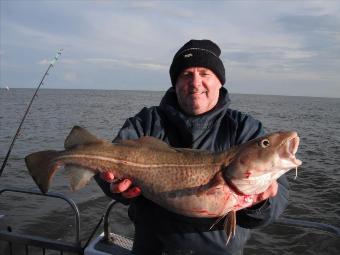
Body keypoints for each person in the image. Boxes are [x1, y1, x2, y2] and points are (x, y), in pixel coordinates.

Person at [95, 39, 289, 255]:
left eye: (205, 73)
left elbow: (276, 203)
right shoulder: (146, 122)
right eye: (186, 74)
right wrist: (117, 188)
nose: (195, 83)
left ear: (220, 82)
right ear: (175, 83)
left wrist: (258, 205)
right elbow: (104, 163)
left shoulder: (244, 129)